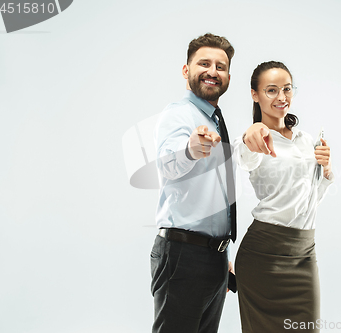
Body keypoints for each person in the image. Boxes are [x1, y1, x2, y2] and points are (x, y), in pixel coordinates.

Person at [233, 61, 334, 333]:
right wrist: (250, 134)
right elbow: (244, 158)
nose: (281, 97)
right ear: (255, 94)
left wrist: (325, 169)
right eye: (271, 90)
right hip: (263, 253)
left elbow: (310, 199)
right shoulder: (254, 139)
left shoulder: (305, 139)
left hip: (304, 252)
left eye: (287, 89)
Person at [150, 33, 237, 333]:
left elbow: (214, 195)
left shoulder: (214, 119)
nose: (213, 71)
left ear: (228, 76)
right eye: (204, 63)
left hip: (211, 258)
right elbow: (166, 165)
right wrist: (189, 150)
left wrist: (221, 255)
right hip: (183, 256)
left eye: (221, 66)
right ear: (186, 71)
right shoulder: (179, 115)